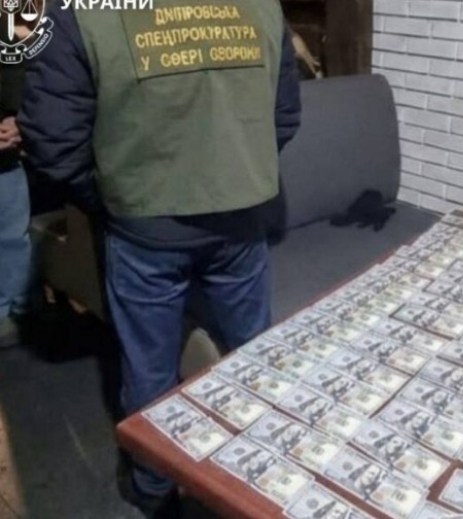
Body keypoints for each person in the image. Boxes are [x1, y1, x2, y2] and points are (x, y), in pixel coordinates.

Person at [18, 0, 302, 517]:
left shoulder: (82, 12)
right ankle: (260, 471)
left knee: (150, 366)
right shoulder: (260, 5)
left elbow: (52, 135)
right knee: (253, 352)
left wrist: (114, 195)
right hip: (240, 218)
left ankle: (153, 486)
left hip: (145, 226)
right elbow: (282, 117)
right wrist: (234, 173)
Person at [0, 26, 35, 349]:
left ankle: (16, 311)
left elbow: (14, 69)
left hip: (5, 156)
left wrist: (16, 119)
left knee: (13, 236)